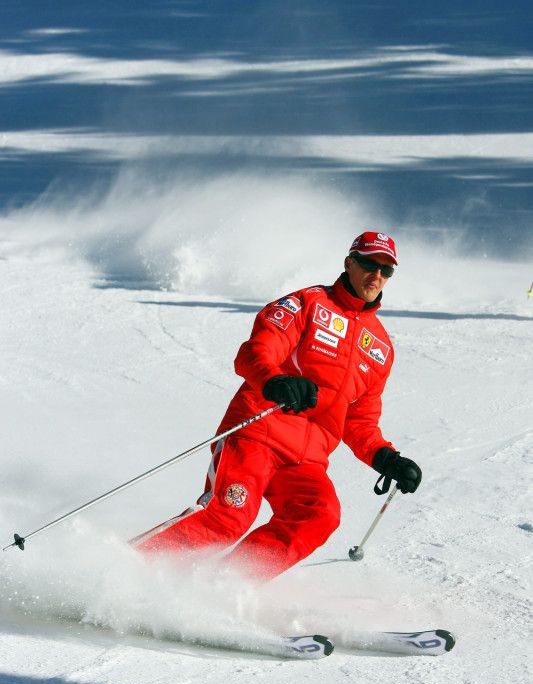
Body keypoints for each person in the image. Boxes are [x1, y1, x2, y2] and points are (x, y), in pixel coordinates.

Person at [138, 231, 422, 579]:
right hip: (257, 432)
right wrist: (276, 381)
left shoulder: (379, 347)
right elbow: (254, 352)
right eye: (368, 264)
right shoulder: (307, 303)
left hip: (306, 460)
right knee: (229, 516)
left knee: (320, 514)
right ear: (349, 263)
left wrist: (386, 458)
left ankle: (227, 587)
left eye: (386, 270)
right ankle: (126, 567)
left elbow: (359, 420)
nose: (376, 275)